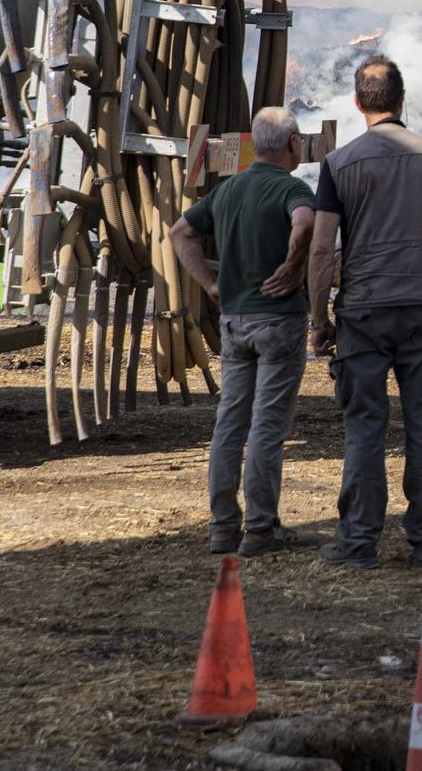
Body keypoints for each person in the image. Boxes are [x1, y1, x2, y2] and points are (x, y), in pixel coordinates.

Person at [307, 55, 422, 570]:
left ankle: (358, 543)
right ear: (403, 101)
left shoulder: (339, 164)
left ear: (357, 103)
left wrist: (320, 321)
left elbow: (320, 250)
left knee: (365, 427)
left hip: (364, 310)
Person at [169, 106, 317, 557]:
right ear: (292, 144)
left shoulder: (228, 191)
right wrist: (293, 267)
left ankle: (222, 527)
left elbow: (179, 233)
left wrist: (210, 284)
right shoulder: (292, 188)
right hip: (280, 322)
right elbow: (307, 223)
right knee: (268, 426)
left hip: (235, 323)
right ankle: (260, 528)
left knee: (230, 423)